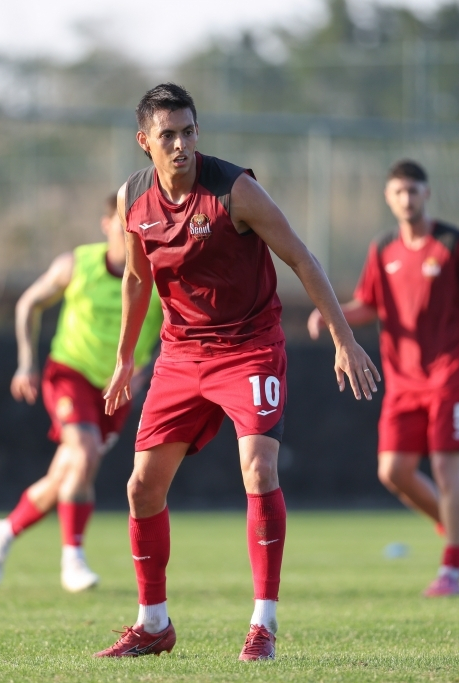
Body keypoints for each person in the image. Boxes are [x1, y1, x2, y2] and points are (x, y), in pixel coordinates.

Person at [94, 83, 380, 661]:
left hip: (249, 346)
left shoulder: (235, 190)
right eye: (167, 135)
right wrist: (126, 356)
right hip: (180, 353)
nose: (180, 145)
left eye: (189, 131)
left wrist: (343, 337)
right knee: (141, 486)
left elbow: (301, 256)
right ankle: (153, 624)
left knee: (258, 466)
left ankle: (263, 625)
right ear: (143, 141)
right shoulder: (132, 198)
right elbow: (135, 278)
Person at [307, 159, 459, 597]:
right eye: (399, 191)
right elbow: (368, 304)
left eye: (414, 191)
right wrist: (332, 316)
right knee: (393, 471)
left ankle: (451, 567)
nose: (407, 198)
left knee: (444, 465)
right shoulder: (383, 250)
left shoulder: (454, 244)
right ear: (388, 197)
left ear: (427, 194)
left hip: (453, 375)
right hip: (403, 381)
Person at [0, 195, 163, 593]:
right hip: (70, 374)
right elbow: (28, 303)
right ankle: (72, 559)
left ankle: (6, 531)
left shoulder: (161, 276)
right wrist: (26, 362)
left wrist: (149, 367)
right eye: (123, 225)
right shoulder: (77, 265)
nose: (132, 235)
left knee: (66, 473)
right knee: (83, 452)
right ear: (106, 225)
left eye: (140, 228)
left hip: (117, 388)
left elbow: (181, 327)